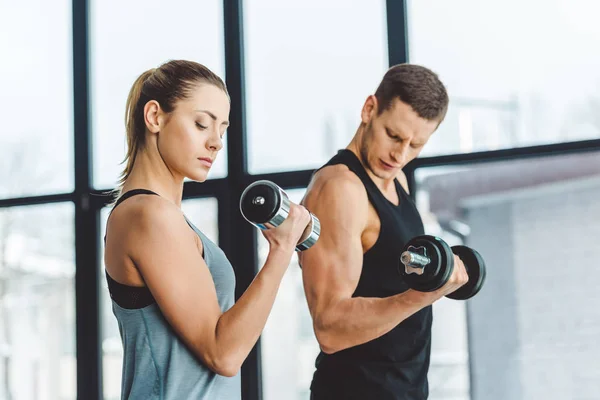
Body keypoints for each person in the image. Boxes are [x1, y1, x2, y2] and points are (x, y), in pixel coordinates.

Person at [103, 59, 311, 399]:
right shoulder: (148, 215)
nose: (216, 143)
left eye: (222, 129)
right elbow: (223, 353)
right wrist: (281, 250)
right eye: (202, 124)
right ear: (155, 117)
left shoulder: (166, 218)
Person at [298, 64, 470, 399]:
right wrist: (420, 296)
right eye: (393, 135)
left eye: (415, 145)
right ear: (369, 109)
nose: (400, 154)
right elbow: (329, 327)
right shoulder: (340, 187)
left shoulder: (396, 180)